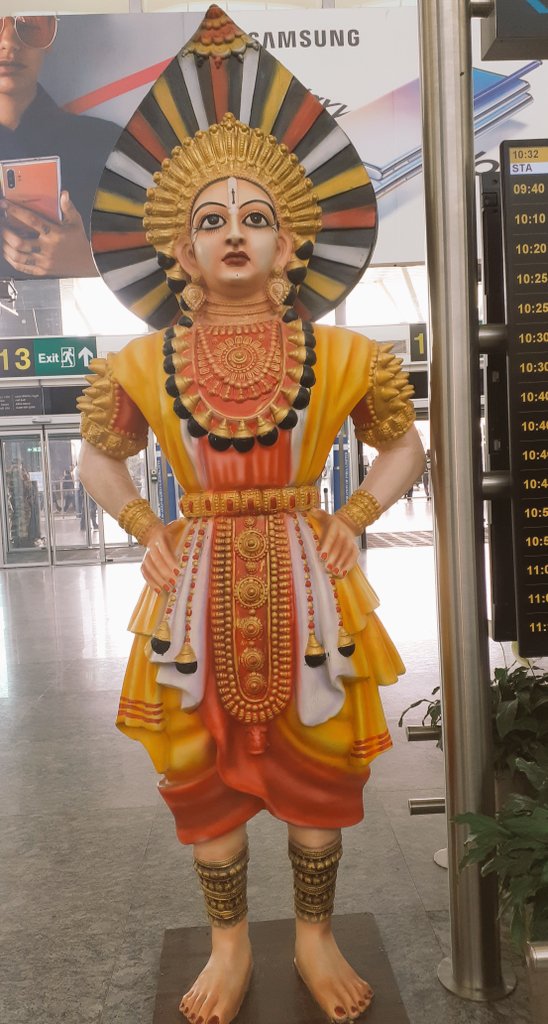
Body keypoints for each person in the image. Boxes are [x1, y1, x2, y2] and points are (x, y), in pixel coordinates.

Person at [78, 9, 425, 1024]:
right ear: (181, 250)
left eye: (256, 215)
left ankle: (314, 934)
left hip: (313, 581)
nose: (234, 231)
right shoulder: (137, 363)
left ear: (290, 242)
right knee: (199, 777)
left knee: (323, 768)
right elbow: (99, 457)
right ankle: (229, 944)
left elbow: (406, 444)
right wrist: (145, 526)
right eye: (212, 219)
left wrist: (358, 508)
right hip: (188, 591)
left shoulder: (346, 356)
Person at [0, 14, 119, 279]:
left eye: (28, 24)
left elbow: (164, 273)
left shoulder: (108, 148)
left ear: (51, 33)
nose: (9, 42)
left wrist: (87, 264)